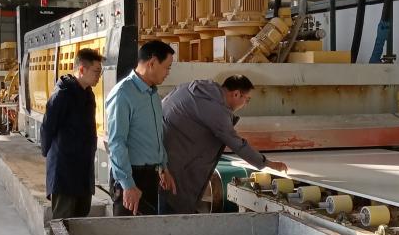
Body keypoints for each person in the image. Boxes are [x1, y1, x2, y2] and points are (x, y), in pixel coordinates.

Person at [160, 75, 288, 214]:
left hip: (162, 158)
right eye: (247, 99)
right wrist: (267, 164)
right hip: (174, 166)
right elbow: (237, 144)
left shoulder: (194, 89)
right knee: (172, 212)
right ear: (236, 94)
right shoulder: (216, 110)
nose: (245, 104)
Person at [105, 40, 177, 215]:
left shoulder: (153, 95)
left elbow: (156, 136)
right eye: (167, 67)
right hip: (130, 177)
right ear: (152, 63)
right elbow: (116, 143)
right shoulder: (123, 94)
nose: (168, 73)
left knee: (147, 229)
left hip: (150, 175)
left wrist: (163, 167)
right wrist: (128, 185)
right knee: (129, 230)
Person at [40, 48, 103, 219]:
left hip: (83, 169)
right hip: (64, 171)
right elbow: (47, 127)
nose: (99, 76)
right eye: (96, 71)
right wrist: (50, 157)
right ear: (82, 69)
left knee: (81, 218)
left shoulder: (88, 94)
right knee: (63, 221)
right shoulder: (63, 94)